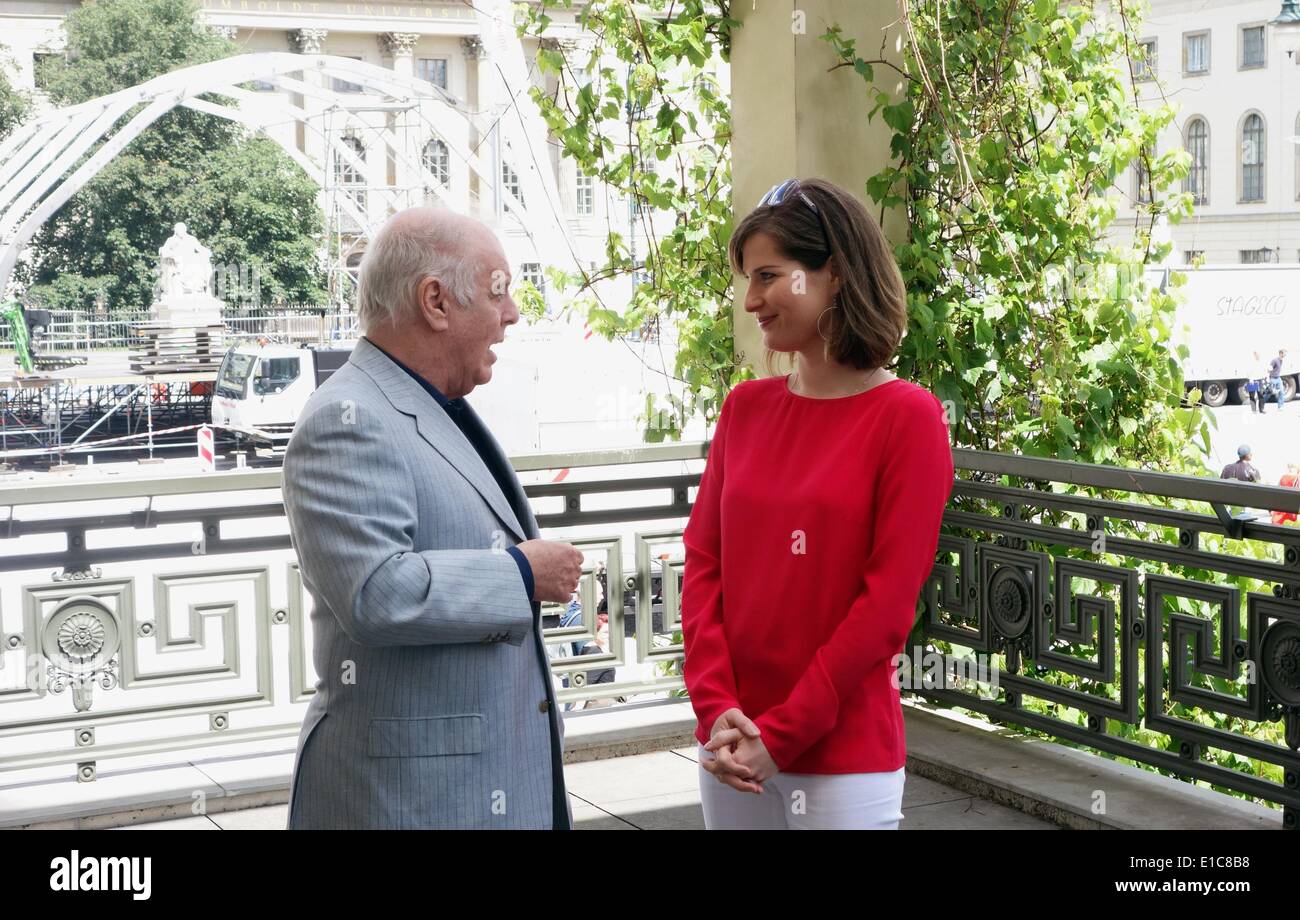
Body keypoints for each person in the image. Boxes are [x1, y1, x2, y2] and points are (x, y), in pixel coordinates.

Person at [281, 206, 583, 829]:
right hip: (409, 799)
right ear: (436, 302)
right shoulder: (349, 419)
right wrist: (522, 577)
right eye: (500, 290)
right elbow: (375, 591)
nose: (514, 314)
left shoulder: (426, 403)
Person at [681, 177, 954, 830]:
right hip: (731, 744)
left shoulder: (907, 418)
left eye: (769, 276)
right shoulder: (745, 408)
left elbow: (886, 606)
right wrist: (716, 709)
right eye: (748, 279)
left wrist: (785, 732)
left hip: (843, 757)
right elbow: (702, 564)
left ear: (831, 276)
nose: (751, 300)